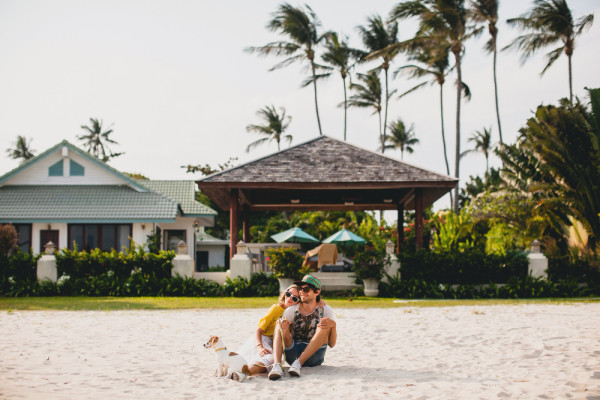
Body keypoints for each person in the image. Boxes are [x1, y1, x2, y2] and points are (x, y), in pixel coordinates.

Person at [268, 274, 337, 380]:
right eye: (300, 289)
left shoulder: (326, 310)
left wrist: (333, 325)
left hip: (315, 356)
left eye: (306, 289)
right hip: (293, 354)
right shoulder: (292, 310)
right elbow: (283, 336)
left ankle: (299, 363)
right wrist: (284, 329)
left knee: (324, 325)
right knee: (280, 324)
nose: (302, 292)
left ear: (317, 292)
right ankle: (277, 365)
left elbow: (332, 344)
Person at [238, 285, 301, 375]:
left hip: (274, 346)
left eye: (294, 298)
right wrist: (260, 347)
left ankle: (243, 372)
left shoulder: (295, 315)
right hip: (262, 341)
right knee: (270, 359)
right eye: (288, 294)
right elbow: (258, 331)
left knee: (269, 363)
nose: (289, 298)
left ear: (299, 302)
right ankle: (242, 373)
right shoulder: (276, 309)